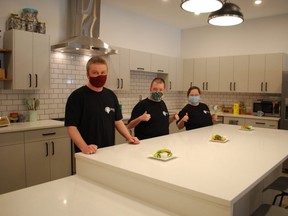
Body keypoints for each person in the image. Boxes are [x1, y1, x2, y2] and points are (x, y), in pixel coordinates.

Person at [65, 56, 139, 154]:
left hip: (109, 150)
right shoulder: (77, 96)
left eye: (103, 73)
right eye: (95, 73)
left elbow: (117, 121)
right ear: (88, 75)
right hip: (87, 152)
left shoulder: (111, 95)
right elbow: (71, 127)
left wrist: (129, 137)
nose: (100, 76)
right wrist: (84, 147)